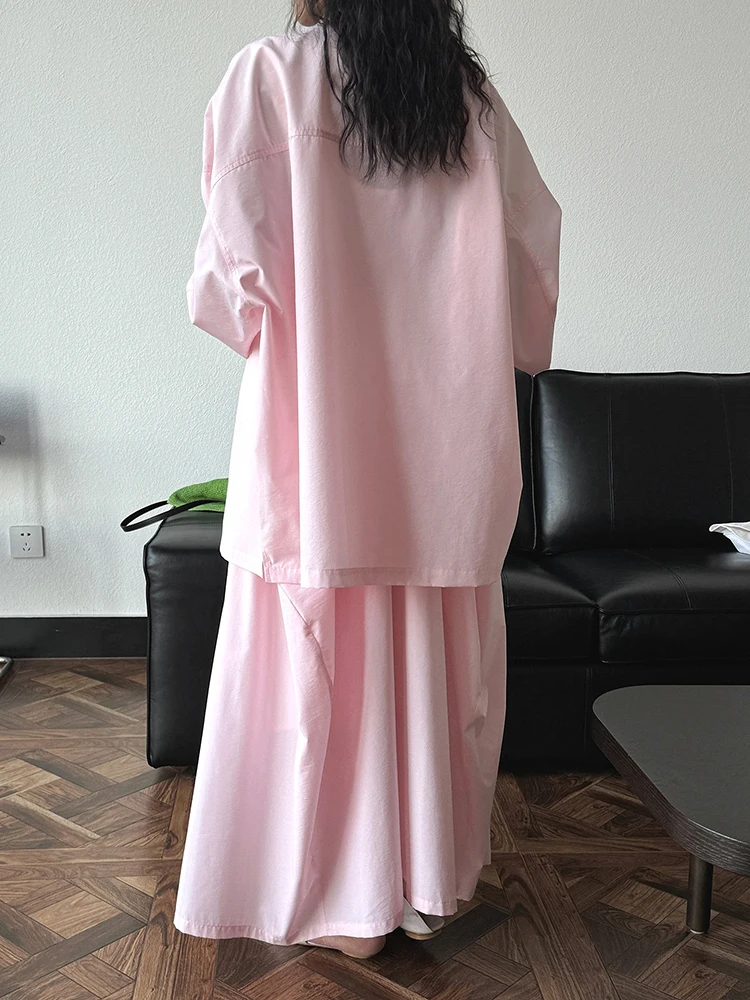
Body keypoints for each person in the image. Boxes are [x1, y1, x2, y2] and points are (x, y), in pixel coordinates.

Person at [173, 0, 561, 960]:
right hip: (445, 460)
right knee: (433, 675)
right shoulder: (467, 99)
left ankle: (332, 897)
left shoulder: (271, 76)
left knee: (307, 670)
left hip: (319, 447)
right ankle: (420, 884)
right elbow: (531, 263)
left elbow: (226, 285)